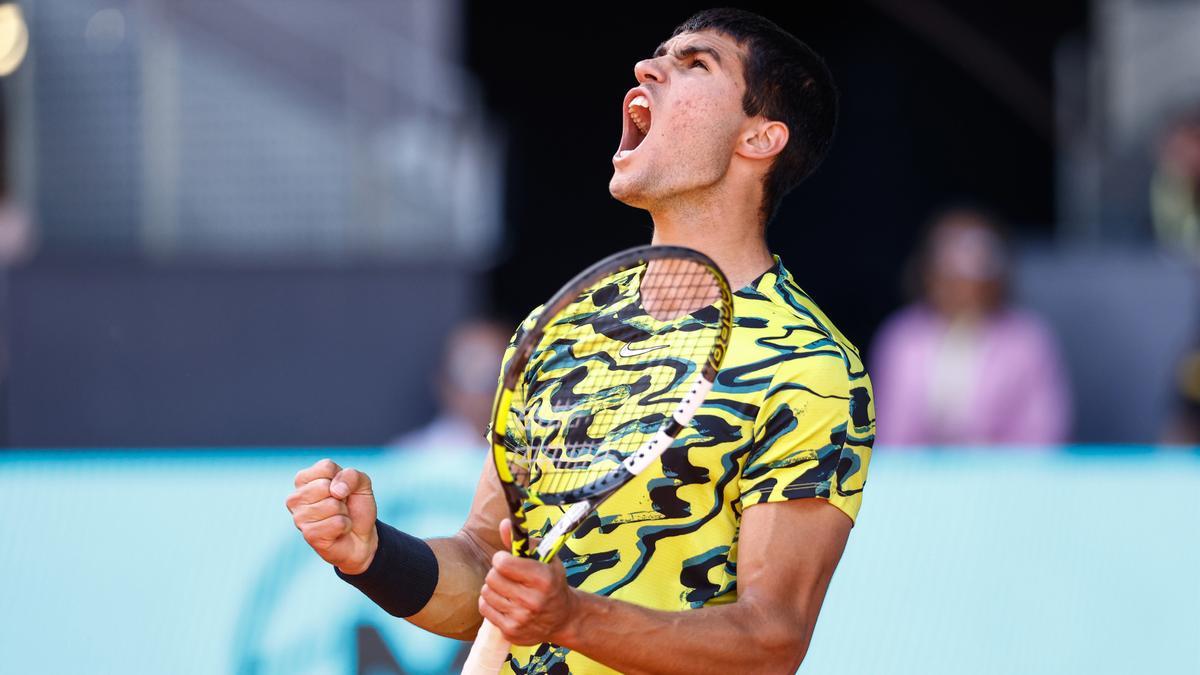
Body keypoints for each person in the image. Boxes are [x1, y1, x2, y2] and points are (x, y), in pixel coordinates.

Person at [286, 8, 874, 673]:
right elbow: (483, 566)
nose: (647, 68)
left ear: (761, 138)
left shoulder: (811, 367)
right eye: (659, 54)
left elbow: (771, 639)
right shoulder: (559, 330)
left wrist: (573, 617)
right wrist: (372, 554)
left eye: (696, 64)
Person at [869, 206, 1072, 446]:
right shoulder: (902, 338)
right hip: (918, 479)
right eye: (951, 263)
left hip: (1007, 478)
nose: (963, 281)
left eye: (978, 264)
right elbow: (890, 436)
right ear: (929, 272)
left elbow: (1043, 436)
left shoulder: (1027, 340)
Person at [385, 317, 513, 454]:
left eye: (495, 373)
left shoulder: (532, 456)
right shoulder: (406, 456)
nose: (484, 387)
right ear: (444, 383)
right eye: (470, 366)